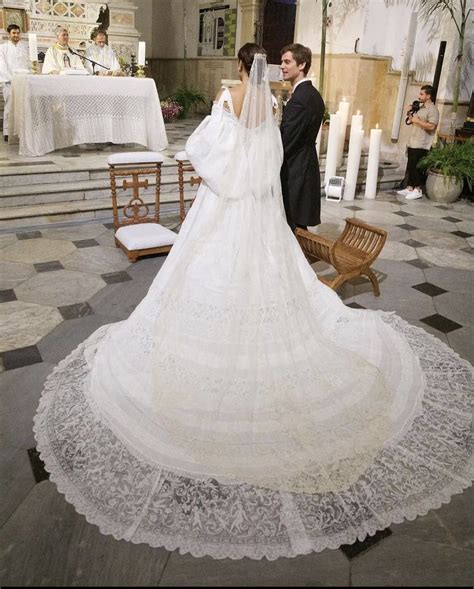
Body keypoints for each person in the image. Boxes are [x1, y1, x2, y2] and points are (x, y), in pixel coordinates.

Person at [34, 44, 472, 560]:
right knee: (269, 273)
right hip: (259, 209)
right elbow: (272, 157)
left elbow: (205, 151)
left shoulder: (229, 96)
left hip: (223, 205)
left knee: (203, 273)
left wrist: (219, 174)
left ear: (241, 68)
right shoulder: (271, 105)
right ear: (266, 68)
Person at [280, 43, 324, 231]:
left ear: (302, 65)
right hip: (306, 162)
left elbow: (287, 141)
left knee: (291, 224)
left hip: (295, 169)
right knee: (297, 225)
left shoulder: (299, 99)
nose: (282, 66)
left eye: (287, 61)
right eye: (282, 61)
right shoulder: (313, 94)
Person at [397, 85, 439, 200]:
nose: (419, 96)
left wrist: (417, 121)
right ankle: (410, 187)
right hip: (413, 140)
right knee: (410, 165)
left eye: (422, 94)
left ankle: (418, 189)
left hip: (422, 143)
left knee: (415, 167)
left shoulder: (432, 109)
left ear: (428, 96)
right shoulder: (420, 107)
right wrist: (410, 114)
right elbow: (414, 120)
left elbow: (432, 126)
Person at [0, 24, 29, 141]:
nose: (16, 35)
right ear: (9, 34)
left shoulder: (24, 48)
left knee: (22, 107)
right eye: (14, 33)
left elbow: (27, 64)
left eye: (18, 33)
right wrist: (11, 78)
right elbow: (2, 66)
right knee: (9, 107)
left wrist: (26, 77)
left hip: (22, 81)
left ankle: (20, 131)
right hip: (9, 82)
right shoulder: (3, 48)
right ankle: (7, 132)